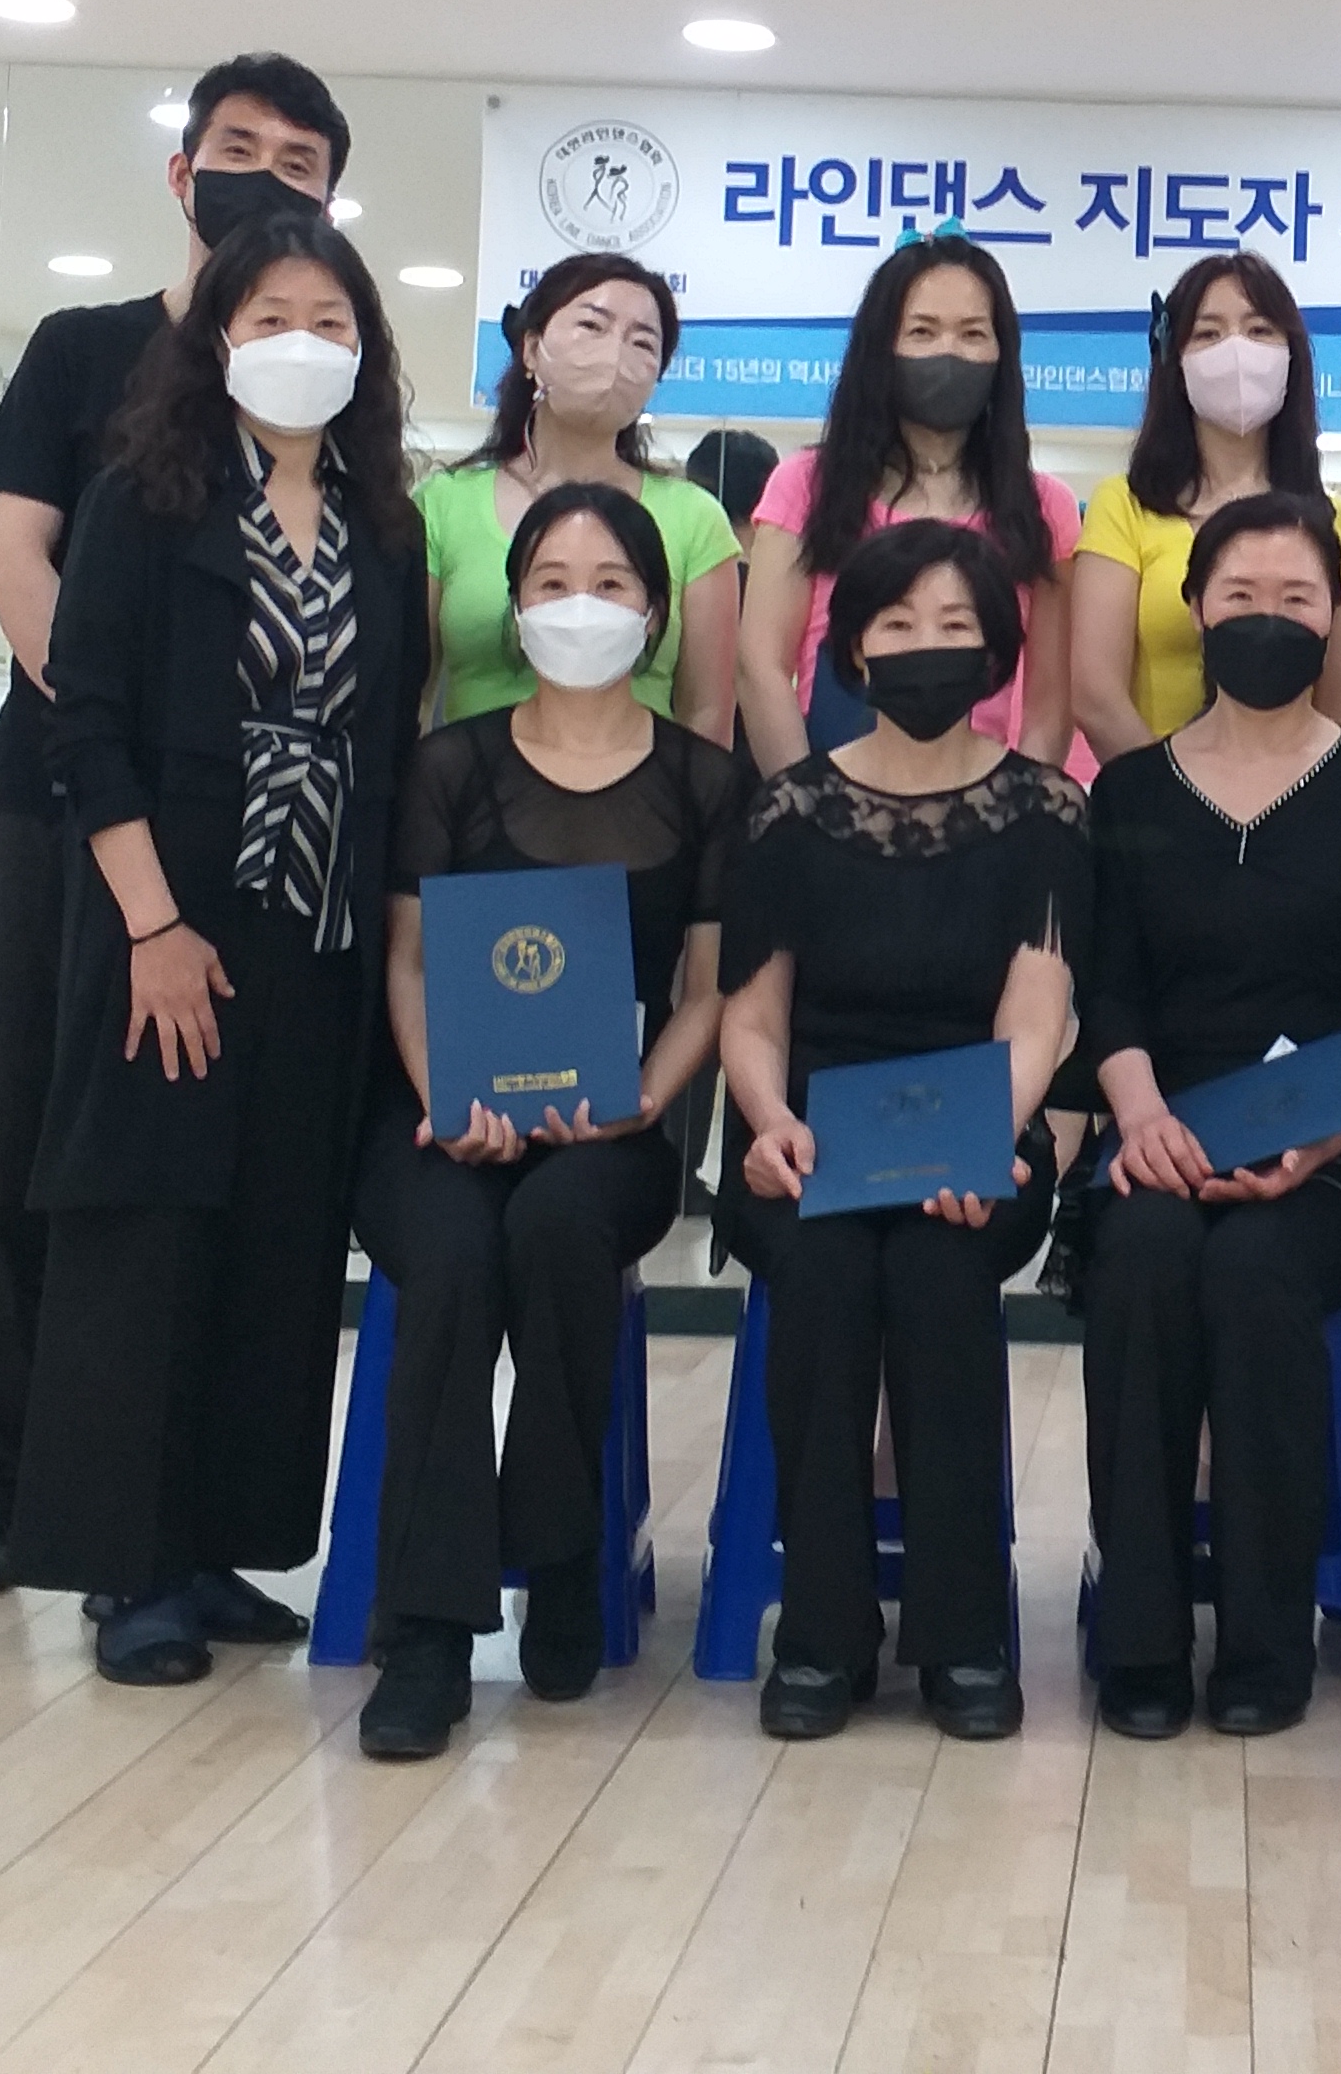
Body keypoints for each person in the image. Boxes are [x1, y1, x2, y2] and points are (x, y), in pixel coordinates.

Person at [0, 54, 347, 1601]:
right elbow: (15, 564)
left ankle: (157, 1518)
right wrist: (130, 744)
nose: (263, 176)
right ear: (182, 174)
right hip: (67, 810)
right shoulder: (83, 349)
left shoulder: (324, 419)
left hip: (246, 853)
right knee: (30, 1135)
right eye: (239, 147)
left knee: (195, 1171)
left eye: (298, 162)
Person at [8, 204, 431, 1685]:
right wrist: (154, 925)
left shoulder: (387, 527)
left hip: (318, 933)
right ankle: (125, 1568)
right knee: (147, 1236)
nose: (300, 345)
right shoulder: (144, 500)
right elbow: (85, 723)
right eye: (269, 320)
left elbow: (393, 734)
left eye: (329, 322)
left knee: (275, 1240)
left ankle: (213, 1545)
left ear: (365, 349)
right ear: (217, 340)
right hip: (169, 919)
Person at [352, 479, 746, 1757]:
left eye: (612, 585)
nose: (582, 607)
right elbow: (409, 961)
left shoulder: (704, 781)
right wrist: (445, 1095)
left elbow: (707, 988)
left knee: (560, 1229)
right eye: (553, 584)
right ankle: (428, 1629)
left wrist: (639, 1101)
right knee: (456, 1250)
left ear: (656, 615)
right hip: (439, 1115)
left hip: (613, 1127)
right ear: (515, 610)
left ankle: (561, 1555)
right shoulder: (448, 765)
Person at [1075, 495, 1341, 1740]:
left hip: (1339, 1140)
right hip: (1161, 1121)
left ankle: (1265, 1638)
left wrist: (1329, 1126)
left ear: (1334, 616)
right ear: (1195, 609)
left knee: (1256, 1268)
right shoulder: (1130, 789)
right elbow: (1108, 990)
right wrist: (1140, 1119)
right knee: (1144, 1256)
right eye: (1242, 596)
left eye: (1299, 599)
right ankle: (1139, 1639)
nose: (1269, 620)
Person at [715, 519, 1082, 1741]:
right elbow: (752, 1017)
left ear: (997, 655)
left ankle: (963, 1634)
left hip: (983, 1134)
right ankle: (821, 1636)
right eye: (899, 624)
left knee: (935, 1276)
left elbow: (1036, 1019)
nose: (929, 646)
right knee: (823, 1278)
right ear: (854, 650)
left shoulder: (1047, 812)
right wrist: (769, 1121)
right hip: (808, 1142)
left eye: (957, 627)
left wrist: (986, 1140)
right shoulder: (789, 811)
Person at [735, 235, 1079, 773]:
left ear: (1002, 354)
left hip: (984, 794)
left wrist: (1016, 806)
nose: (949, 352)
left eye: (973, 333)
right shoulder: (806, 485)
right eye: (922, 331)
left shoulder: (1044, 508)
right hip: (828, 783)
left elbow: (1049, 704)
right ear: (881, 348)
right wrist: (807, 799)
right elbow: (761, 667)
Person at [417, 253, 744, 739]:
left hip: (645, 783)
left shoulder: (694, 518)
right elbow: (411, 691)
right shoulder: (444, 504)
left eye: (642, 342)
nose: (616, 353)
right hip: (470, 780)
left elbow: (707, 711)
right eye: (592, 325)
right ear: (532, 349)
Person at [1071, 252, 1341, 754]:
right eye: (1208, 333)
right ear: (1174, 359)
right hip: (1149, 792)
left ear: (1291, 356)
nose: (1236, 349)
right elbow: (1096, 695)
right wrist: (1168, 789)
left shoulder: (1339, 524)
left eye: (1259, 331)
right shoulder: (1123, 506)